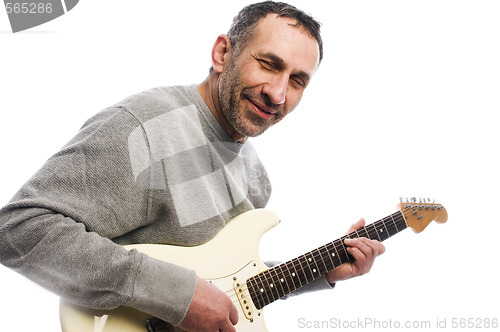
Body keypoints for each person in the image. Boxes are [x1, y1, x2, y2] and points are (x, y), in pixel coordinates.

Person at [0, 1, 385, 331]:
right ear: (222, 54)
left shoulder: (256, 177)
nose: (278, 93)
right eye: (268, 64)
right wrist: (179, 295)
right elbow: (18, 230)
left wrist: (324, 271)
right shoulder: (144, 128)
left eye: (297, 81)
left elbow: (230, 280)